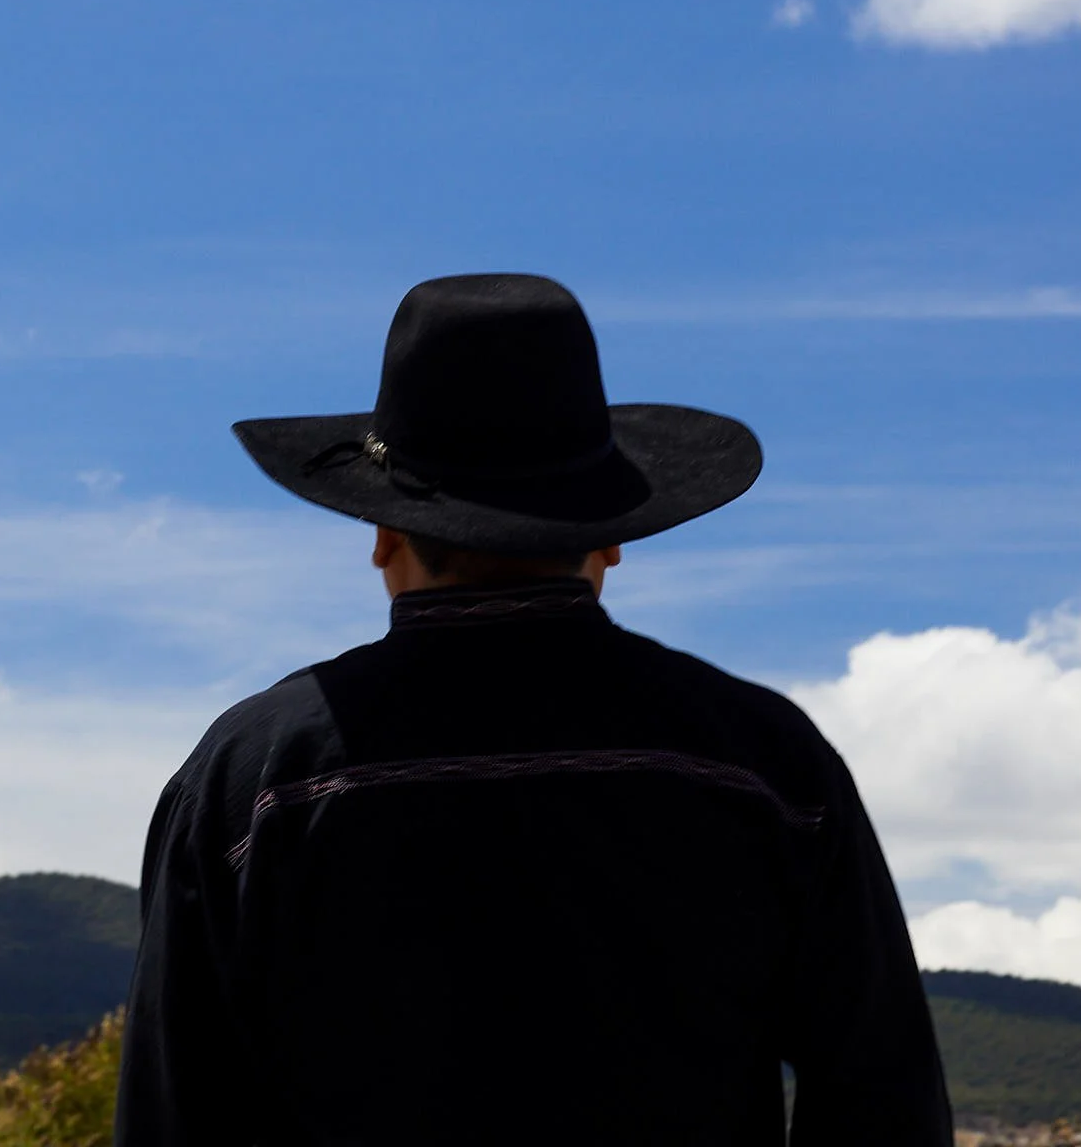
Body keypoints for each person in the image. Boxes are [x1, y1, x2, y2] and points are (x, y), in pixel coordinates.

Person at [114, 274, 950, 1146]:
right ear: (613, 536)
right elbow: (884, 1101)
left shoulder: (251, 779)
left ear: (383, 535)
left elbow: (172, 1114)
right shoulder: (766, 766)